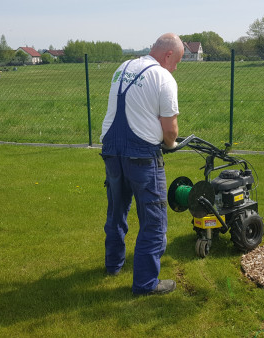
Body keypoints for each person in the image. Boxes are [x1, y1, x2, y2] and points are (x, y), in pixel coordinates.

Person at [100, 33, 184, 295]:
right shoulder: (163, 77)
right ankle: (146, 284)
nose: (176, 67)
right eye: (177, 61)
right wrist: (171, 146)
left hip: (112, 152)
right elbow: (170, 131)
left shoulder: (123, 68)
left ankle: (114, 265)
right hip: (142, 157)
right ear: (168, 55)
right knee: (154, 221)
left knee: (116, 212)